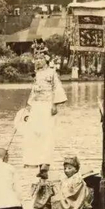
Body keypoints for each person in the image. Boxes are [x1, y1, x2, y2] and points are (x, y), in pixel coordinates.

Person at [21, 40, 67, 178]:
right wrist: (29, 108)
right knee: (34, 133)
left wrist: (55, 104)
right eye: (36, 59)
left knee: (47, 135)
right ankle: (37, 163)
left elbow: (57, 88)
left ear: (46, 59)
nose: (38, 61)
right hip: (36, 106)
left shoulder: (52, 73)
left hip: (47, 105)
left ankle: (45, 165)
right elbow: (33, 92)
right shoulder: (37, 74)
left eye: (41, 58)